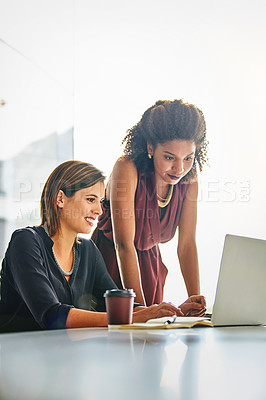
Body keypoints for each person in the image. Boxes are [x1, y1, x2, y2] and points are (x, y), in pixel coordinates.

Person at [0, 160, 206, 332]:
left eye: (100, 201)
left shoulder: (88, 251)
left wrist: (170, 312)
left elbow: (120, 305)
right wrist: (136, 317)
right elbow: (52, 316)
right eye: (91, 200)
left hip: (62, 360)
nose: (99, 210)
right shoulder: (26, 241)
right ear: (60, 199)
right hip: (18, 359)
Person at [92, 99, 208, 306]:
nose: (180, 169)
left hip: (149, 271)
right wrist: (142, 311)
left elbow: (187, 244)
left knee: (150, 335)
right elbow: (123, 244)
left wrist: (195, 301)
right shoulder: (127, 168)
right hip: (110, 267)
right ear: (150, 147)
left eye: (188, 158)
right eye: (170, 157)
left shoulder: (189, 179)